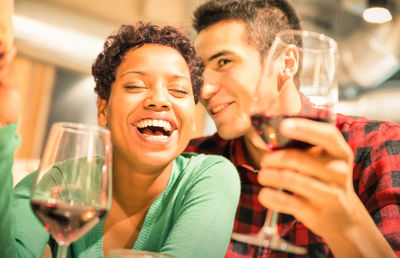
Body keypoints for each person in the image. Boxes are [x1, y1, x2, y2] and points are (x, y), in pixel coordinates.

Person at [0, 23, 241, 258]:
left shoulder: (209, 177)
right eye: (136, 85)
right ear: (103, 109)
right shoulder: (54, 184)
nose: (159, 100)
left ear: (193, 118)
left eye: (178, 90)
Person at [185, 0, 400, 257]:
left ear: (286, 62)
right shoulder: (194, 161)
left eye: (224, 62)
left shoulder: (378, 147)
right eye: (201, 71)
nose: (205, 89)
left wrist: (346, 223)